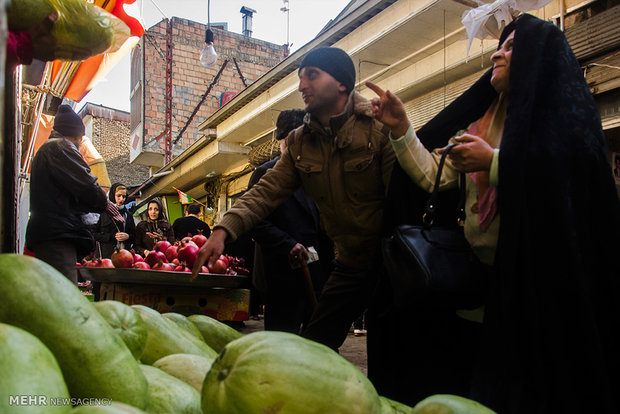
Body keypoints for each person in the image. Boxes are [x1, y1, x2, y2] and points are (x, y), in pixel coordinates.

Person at [368, 14, 620, 413]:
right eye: (498, 46)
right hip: (477, 291)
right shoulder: (483, 118)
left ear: (539, 56)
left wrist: (496, 162)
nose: (496, 56)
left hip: (536, 296)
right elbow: (439, 175)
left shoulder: (562, 115)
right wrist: (402, 130)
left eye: (511, 47)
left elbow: (573, 174)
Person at [192, 47, 396, 352]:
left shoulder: (379, 128)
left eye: (311, 75)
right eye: (300, 77)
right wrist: (223, 230)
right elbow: (265, 191)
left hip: (393, 263)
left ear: (341, 82)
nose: (302, 85)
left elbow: (406, 196)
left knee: (391, 357)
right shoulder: (302, 142)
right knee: (315, 347)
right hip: (351, 265)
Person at [248, 109, 332, 334]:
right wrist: (288, 244)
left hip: (314, 270)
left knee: (317, 338)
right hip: (280, 274)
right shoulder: (265, 173)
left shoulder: (313, 172)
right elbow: (256, 221)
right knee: (283, 339)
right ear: (286, 140)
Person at [25, 104, 123, 283]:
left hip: (51, 234)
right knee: (61, 292)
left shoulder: (48, 149)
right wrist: (106, 204)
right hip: (57, 236)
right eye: (80, 138)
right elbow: (86, 185)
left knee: (54, 289)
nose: (80, 144)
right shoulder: (60, 148)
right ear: (76, 134)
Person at [92, 183, 136, 258]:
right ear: (112, 195)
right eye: (119, 196)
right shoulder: (102, 212)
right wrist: (111, 237)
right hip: (106, 255)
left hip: (124, 255)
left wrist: (128, 236)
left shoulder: (128, 215)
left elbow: (134, 236)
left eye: (124, 196)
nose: (121, 199)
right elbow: (93, 233)